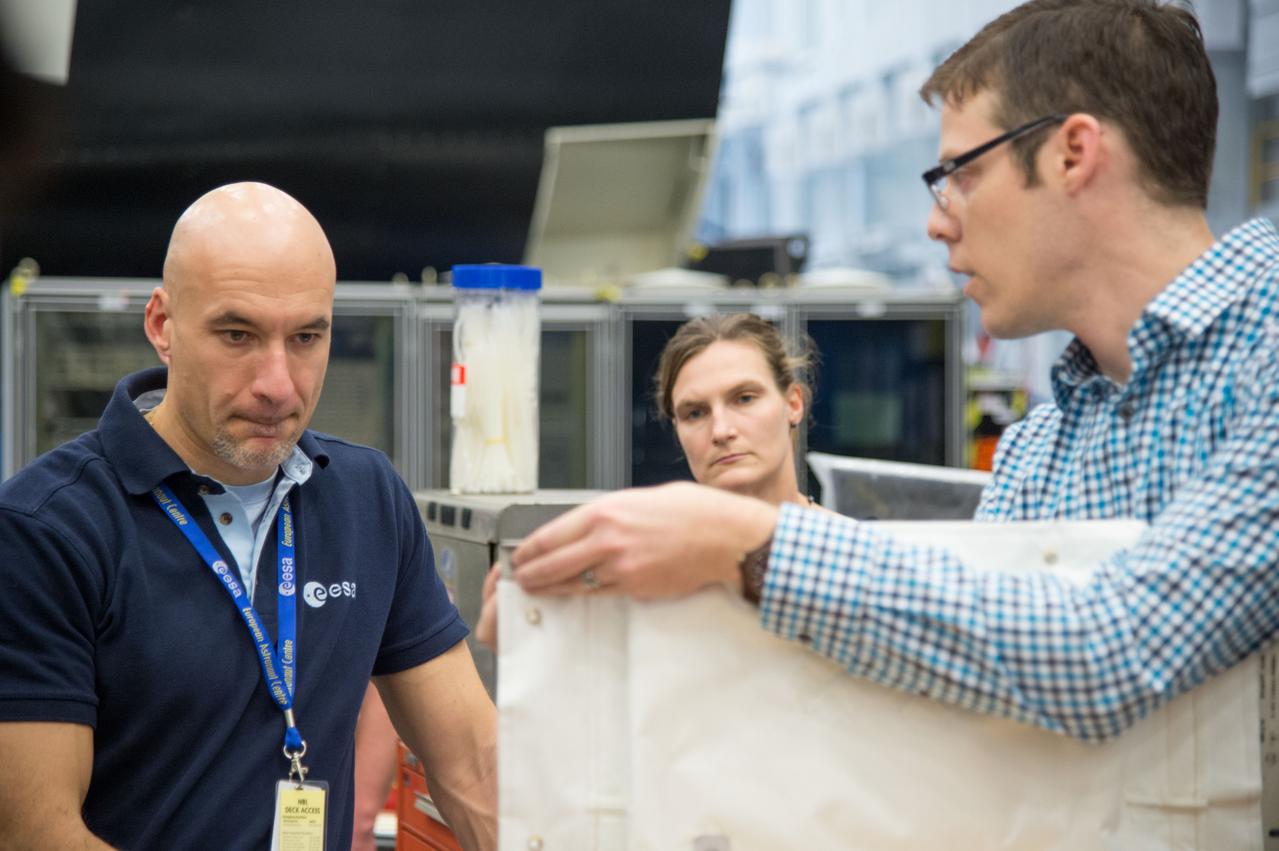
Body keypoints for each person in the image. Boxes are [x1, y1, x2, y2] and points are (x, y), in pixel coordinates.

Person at [509, 0, 1279, 744]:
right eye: (694, 411)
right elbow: (977, 690)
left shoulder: (1265, 360)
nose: (935, 220)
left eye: (959, 172)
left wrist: (749, 542)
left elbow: (1110, 652)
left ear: (1072, 153)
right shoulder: (1040, 446)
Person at [0, 182, 497, 849]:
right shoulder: (47, 529)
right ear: (162, 325)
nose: (277, 384)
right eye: (237, 334)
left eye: (306, 337)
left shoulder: (366, 499)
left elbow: (473, 767)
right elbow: (36, 832)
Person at [477, 312, 818, 644]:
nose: (721, 430)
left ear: (793, 404)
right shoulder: (639, 563)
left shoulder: (851, 551)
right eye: (695, 413)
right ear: (677, 429)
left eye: (744, 398)